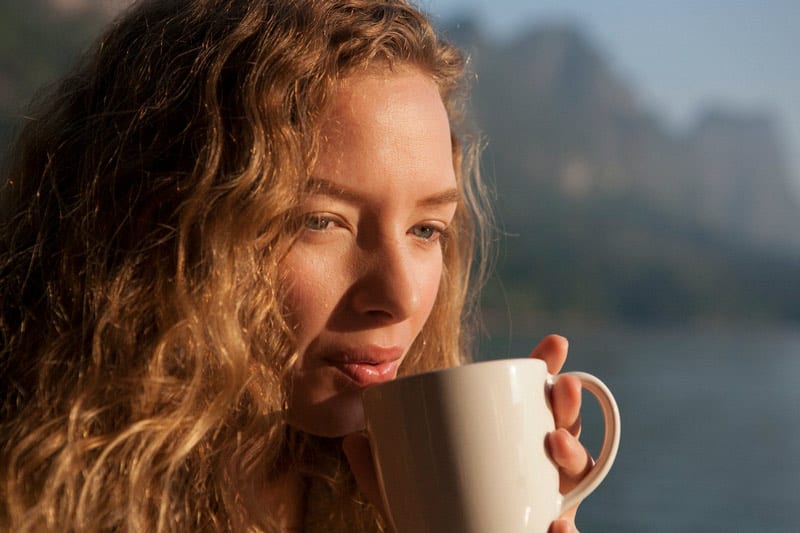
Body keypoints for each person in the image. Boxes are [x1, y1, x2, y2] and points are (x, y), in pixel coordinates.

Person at [0, 1, 593, 531]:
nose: (402, 296)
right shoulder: (26, 497)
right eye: (320, 221)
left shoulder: (374, 499)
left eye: (425, 230)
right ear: (162, 226)